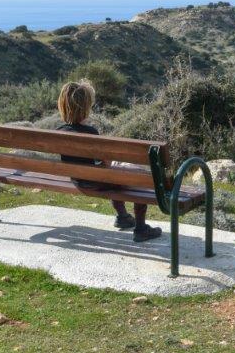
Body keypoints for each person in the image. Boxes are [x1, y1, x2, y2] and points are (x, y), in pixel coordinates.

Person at [56, 80, 162, 242]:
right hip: (96, 182)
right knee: (139, 176)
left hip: (78, 181)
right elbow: (105, 165)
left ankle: (123, 217)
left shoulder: (59, 132)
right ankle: (141, 228)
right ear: (86, 107)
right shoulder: (91, 132)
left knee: (115, 174)